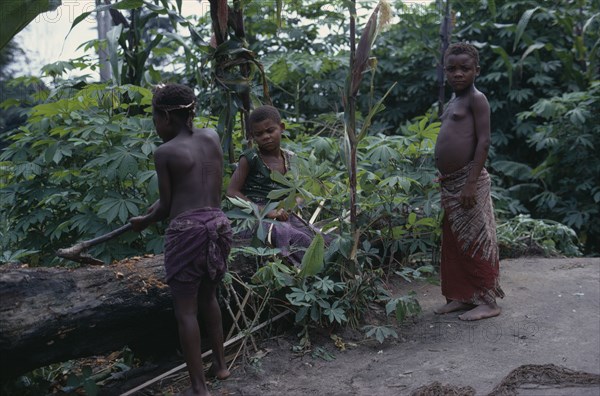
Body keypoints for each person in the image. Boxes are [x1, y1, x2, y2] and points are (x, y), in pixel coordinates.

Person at [129, 83, 231, 396]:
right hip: (218, 224)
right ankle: (221, 366)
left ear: (166, 118)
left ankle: (198, 388)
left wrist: (145, 220)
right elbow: (189, 194)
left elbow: (166, 207)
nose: (155, 126)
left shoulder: (165, 152)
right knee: (208, 297)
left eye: (154, 119)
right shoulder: (211, 136)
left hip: (187, 232)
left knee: (185, 311)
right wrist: (157, 209)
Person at [433, 42, 505, 321]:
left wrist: (471, 182)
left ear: (477, 70)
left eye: (464, 68)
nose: (458, 74)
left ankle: (488, 301)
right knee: (454, 243)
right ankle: (461, 297)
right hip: (450, 182)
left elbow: (484, 142)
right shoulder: (453, 101)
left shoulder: (478, 99)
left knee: (476, 240)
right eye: (451, 69)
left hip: (468, 182)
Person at [226, 105, 315, 267]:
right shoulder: (250, 158)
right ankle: (294, 267)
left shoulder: (291, 158)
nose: (266, 137)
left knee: (313, 234)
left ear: (281, 128)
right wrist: (268, 212)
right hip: (255, 217)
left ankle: (314, 269)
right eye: (259, 134)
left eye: (270, 131)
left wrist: (291, 206)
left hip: (284, 214)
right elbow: (232, 192)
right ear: (252, 136)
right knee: (284, 232)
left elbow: (299, 192)